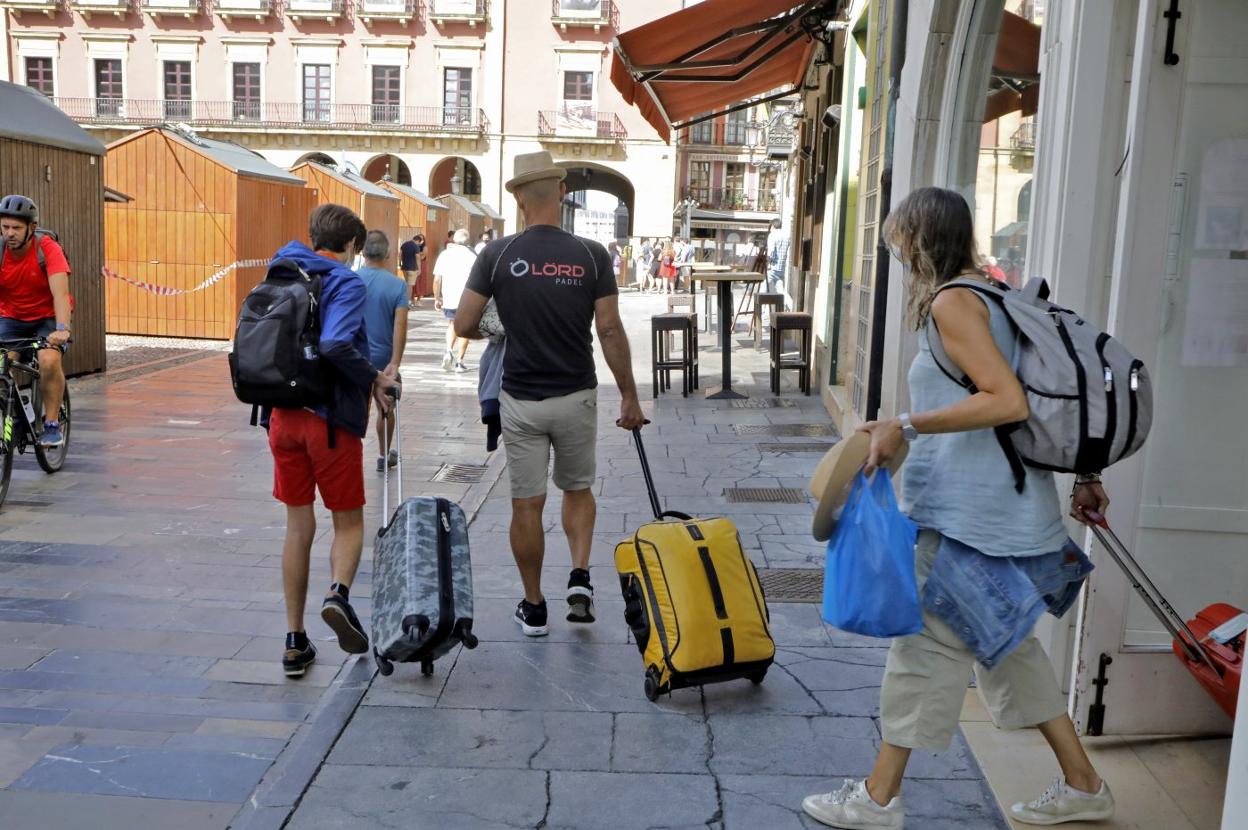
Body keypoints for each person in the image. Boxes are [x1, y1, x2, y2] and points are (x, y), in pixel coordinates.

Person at [801, 187, 1114, 829]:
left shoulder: (953, 303)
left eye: (901, 244)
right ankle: (1084, 784)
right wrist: (1085, 472)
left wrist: (905, 425)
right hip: (1009, 515)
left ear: (921, 241)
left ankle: (879, 798)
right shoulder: (1000, 295)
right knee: (1004, 645)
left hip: (974, 522)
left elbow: (1008, 401)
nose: (899, 257)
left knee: (925, 648)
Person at [454, 150, 645, 637]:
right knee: (577, 490)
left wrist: (501, 327)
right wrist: (629, 397)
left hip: (521, 400)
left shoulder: (497, 256)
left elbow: (463, 323)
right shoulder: (591, 255)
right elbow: (608, 328)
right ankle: (579, 574)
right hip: (576, 395)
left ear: (518, 198)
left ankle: (534, 605)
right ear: (561, 193)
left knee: (527, 504)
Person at [266, 204, 400, 679]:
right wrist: (375, 380)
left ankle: (294, 640)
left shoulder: (281, 269)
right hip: (329, 423)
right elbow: (335, 345)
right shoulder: (345, 280)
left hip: (281, 416)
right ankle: (338, 595)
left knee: (298, 526)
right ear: (352, 247)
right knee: (347, 522)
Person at [0, 195, 72, 448]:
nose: (10, 233)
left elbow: (60, 294)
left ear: (32, 228)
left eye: (16, 228)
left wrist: (62, 329)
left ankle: (51, 423)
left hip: (47, 317)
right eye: (5, 227)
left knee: (49, 360)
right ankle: (20, 409)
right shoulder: (0, 252)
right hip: (11, 317)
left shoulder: (47, 248)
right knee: (2, 365)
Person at [356, 230, 409, 472]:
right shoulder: (397, 285)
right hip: (383, 358)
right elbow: (400, 326)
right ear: (388, 254)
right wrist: (395, 362)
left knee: (355, 406)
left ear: (362, 252)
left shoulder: (350, 280)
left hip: (354, 357)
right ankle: (383, 454)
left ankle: (351, 454)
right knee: (385, 407)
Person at [433, 228, 476, 373]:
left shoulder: (445, 255)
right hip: (467, 297)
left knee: (452, 324)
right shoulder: (472, 256)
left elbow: (437, 279)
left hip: (449, 296)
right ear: (467, 241)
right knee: (465, 329)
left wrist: (437, 298)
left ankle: (449, 350)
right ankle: (459, 362)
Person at [398, 233, 424, 309]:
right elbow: (417, 258)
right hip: (413, 268)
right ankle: (408, 302)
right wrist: (419, 269)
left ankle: (404, 300)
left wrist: (400, 263)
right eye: (419, 243)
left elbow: (400, 254)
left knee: (406, 284)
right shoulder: (416, 247)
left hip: (404, 267)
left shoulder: (404, 244)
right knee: (410, 286)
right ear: (418, 241)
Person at [766, 218, 790, 294]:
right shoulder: (787, 236)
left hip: (773, 266)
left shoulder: (772, 235)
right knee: (780, 289)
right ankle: (781, 304)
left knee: (764, 287)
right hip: (781, 267)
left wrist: (768, 264)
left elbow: (771, 251)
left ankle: (762, 306)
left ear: (773, 225)